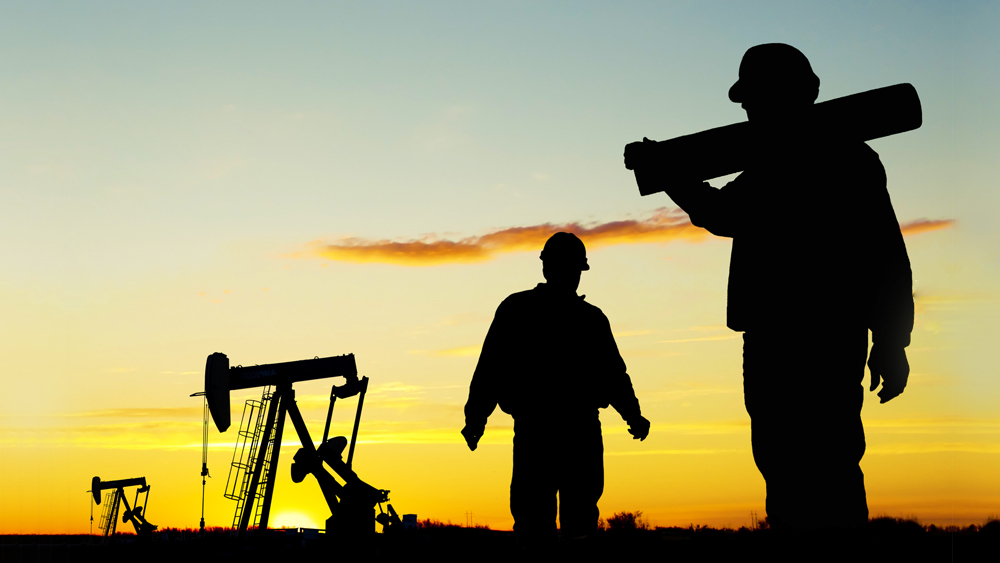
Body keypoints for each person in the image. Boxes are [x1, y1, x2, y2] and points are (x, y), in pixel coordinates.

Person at [625, 43, 913, 529]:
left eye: (753, 96)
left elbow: (723, 213)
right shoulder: (841, 157)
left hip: (797, 338)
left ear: (793, 93)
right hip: (820, 336)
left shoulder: (799, 160)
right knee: (811, 467)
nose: (745, 107)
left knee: (807, 469)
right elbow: (888, 258)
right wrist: (890, 342)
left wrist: (670, 170)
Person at [462, 232, 650, 547]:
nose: (571, 275)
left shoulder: (533, 311)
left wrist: (633, 414)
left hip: (560, 431)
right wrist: (475, 419)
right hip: (554, 431)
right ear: (552, 269)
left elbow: (614, 376)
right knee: (544, 520)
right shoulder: (540, 312)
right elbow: (491, 369)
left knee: (563, 520)